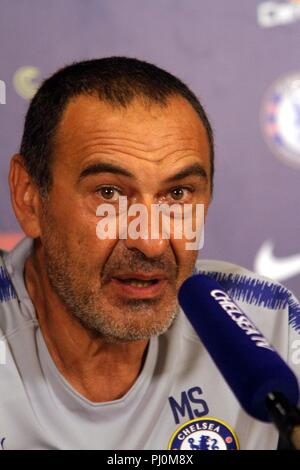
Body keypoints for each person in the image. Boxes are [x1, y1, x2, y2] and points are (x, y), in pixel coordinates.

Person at [0, 57, 299, 450]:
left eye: (178, 194)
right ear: (30, 198)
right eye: (109, 193)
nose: (152, 241)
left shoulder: (264, 321)